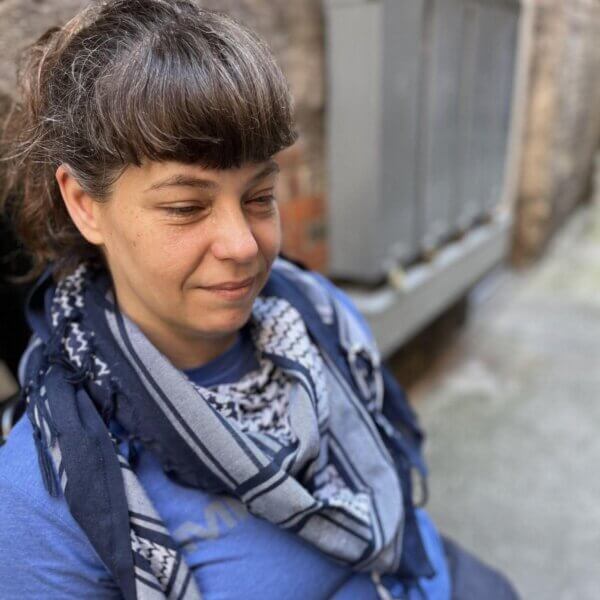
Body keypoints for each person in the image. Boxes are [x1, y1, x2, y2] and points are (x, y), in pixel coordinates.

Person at [0, 1, 519, 598]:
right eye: (186, 207)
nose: (244, 246)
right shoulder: (46, 499)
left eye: (259, 197)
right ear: (84, 204)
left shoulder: (319, 317)